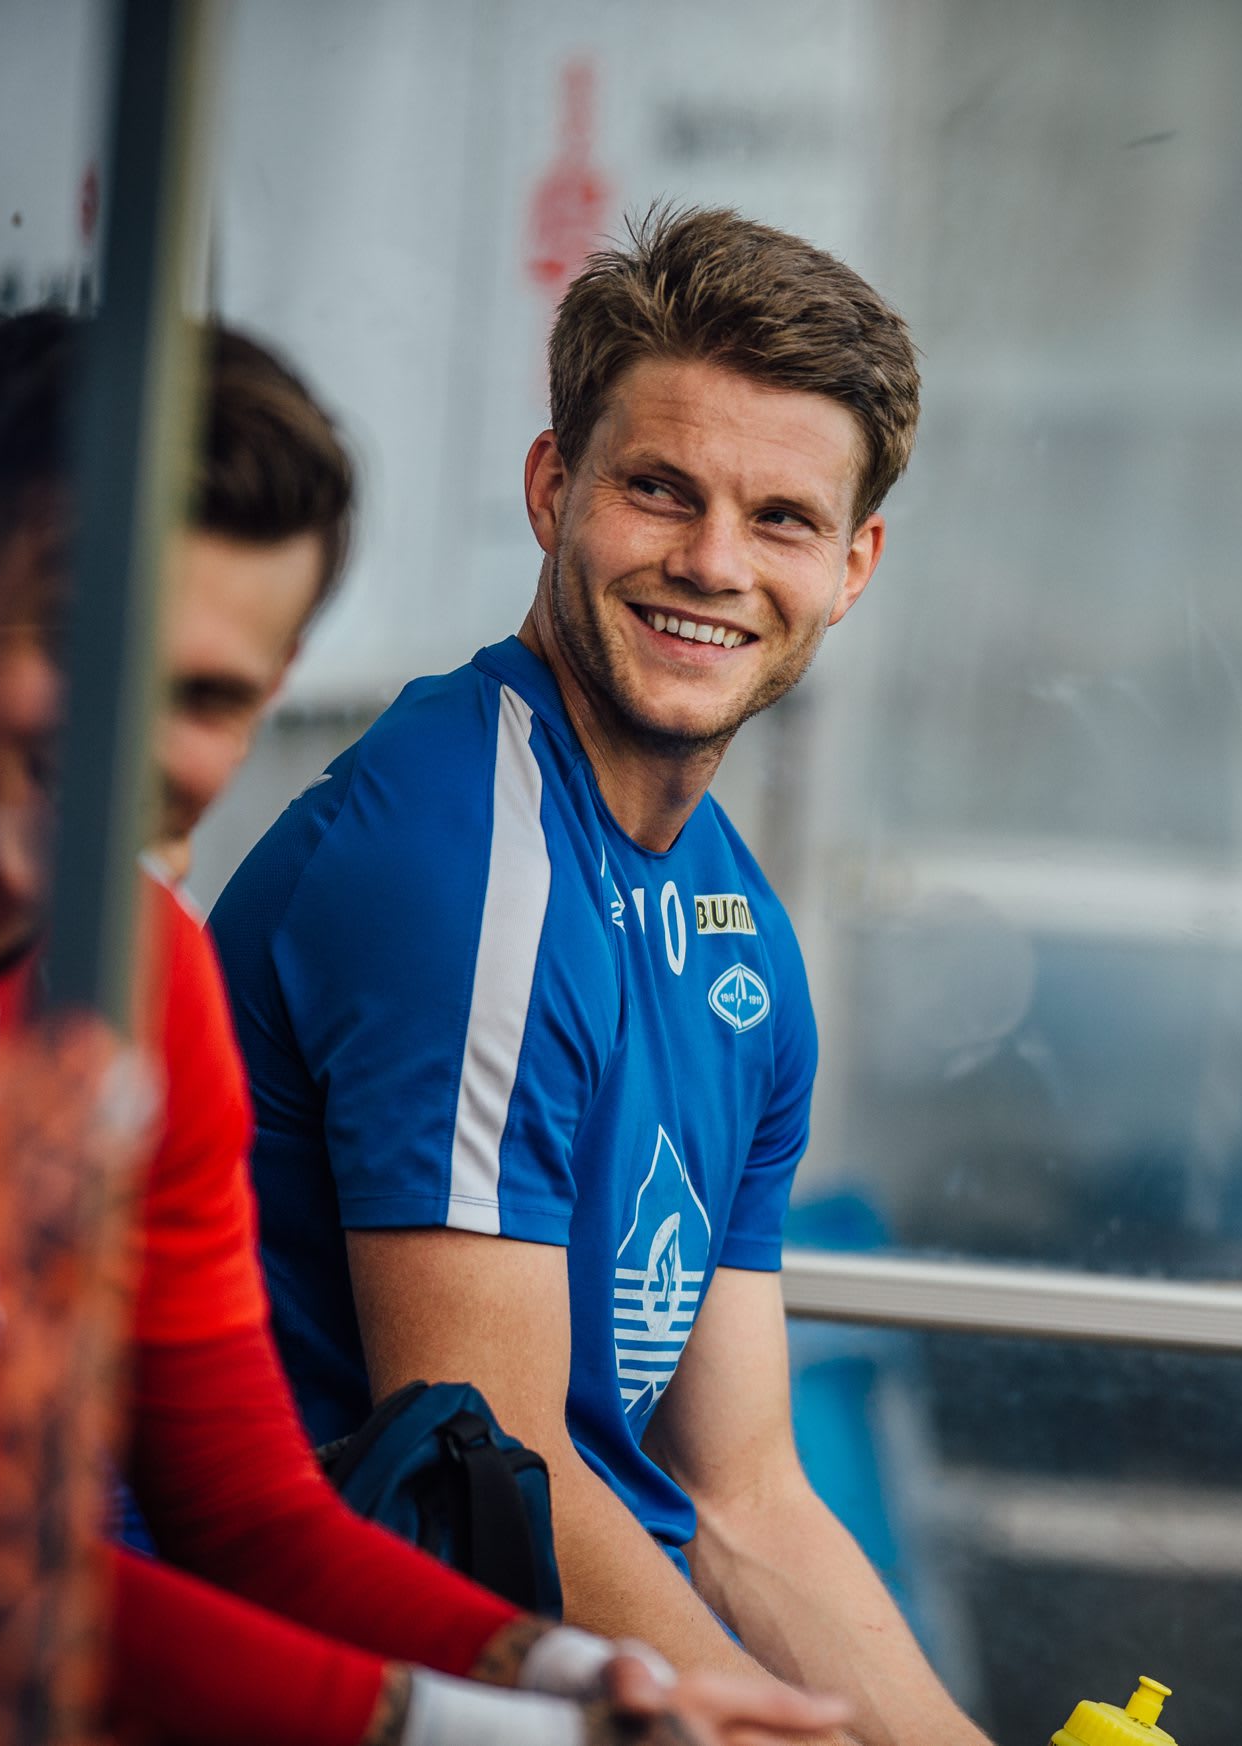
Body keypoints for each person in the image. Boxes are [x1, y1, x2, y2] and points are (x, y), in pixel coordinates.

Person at [0, 305, 847, 1746]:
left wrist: (567, 1676)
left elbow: (243, 1508)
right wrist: (491, 1717)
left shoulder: (145, 977)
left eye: (206, 697)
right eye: (89, 651)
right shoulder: (455, 852)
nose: (132, 747)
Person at [209, 207, 988, 1746]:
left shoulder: (739, 927)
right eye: (658, 489)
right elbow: (489, 1476)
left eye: (782, 518)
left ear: (852, 566)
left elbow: (744, 1493)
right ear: (550, 486)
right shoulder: (459, 858)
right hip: (320, 1682)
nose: (713, 562)